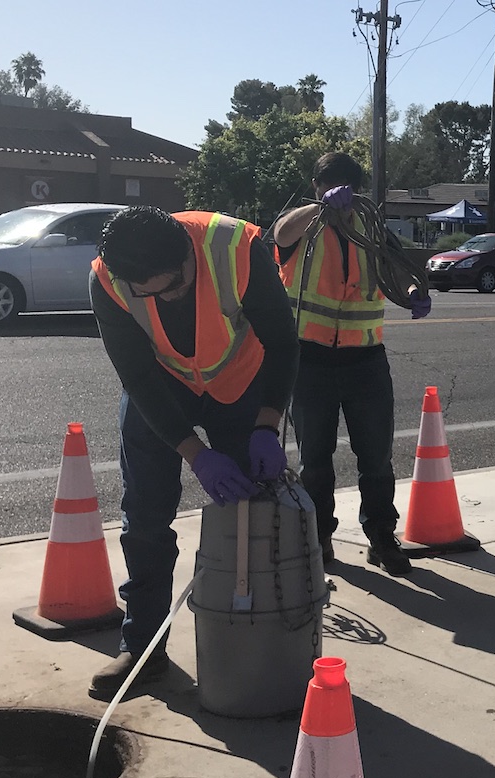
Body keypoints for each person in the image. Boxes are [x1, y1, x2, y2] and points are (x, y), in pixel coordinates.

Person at [88, 205, 299, 699]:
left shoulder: (236, 249)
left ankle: (253, 640)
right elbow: (136, 375)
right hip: (160, 387)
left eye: (173, 285)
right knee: (143, 518)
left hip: (239, 381)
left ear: (186, 254)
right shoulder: (110, 279)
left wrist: (267, 424)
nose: (165, 297)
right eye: (151, 292)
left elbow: (284, 345)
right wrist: (194, 453)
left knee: (250, 512)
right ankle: (142, 650)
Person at [272, 152, 431, 576]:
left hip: (365, 359)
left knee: (376, 457)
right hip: (310, 359)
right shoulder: (303, 227)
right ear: (316, 187)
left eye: (346, 187)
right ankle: (318, 537)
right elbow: (279, 231)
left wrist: (414, 290)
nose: (340, 195)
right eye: (329, 186)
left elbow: (399, 269)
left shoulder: (370, 227)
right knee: (314, 460)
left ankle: (381, 536)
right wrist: (319, 207)